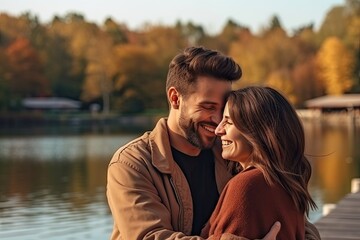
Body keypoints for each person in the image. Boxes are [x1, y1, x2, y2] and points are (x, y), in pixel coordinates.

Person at [106, 46, 318, 240]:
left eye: (224, 108)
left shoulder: (231, 152)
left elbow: (292, 216)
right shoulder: (132, 164)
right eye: (208, 107)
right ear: (175, 98)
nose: (218, 121)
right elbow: (149, 236)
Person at [201, 86, 319, 240]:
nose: (218, 130)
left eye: (228, 122)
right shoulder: (284, 181)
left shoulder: (246, 185)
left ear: (256, 131)